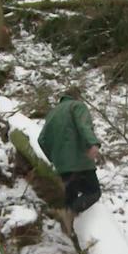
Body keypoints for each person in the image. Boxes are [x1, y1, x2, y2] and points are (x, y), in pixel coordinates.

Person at [38, 86, 102, 236]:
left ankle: (68, 232)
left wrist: (54, 157)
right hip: (80, 162)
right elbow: (83, 126)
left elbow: (41, 139)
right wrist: (93, 144)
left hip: (62, 165)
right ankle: (69, 212)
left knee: (71, 195)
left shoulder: (52, 113)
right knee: (94, 192)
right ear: (78, 96)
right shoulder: (77, 106)